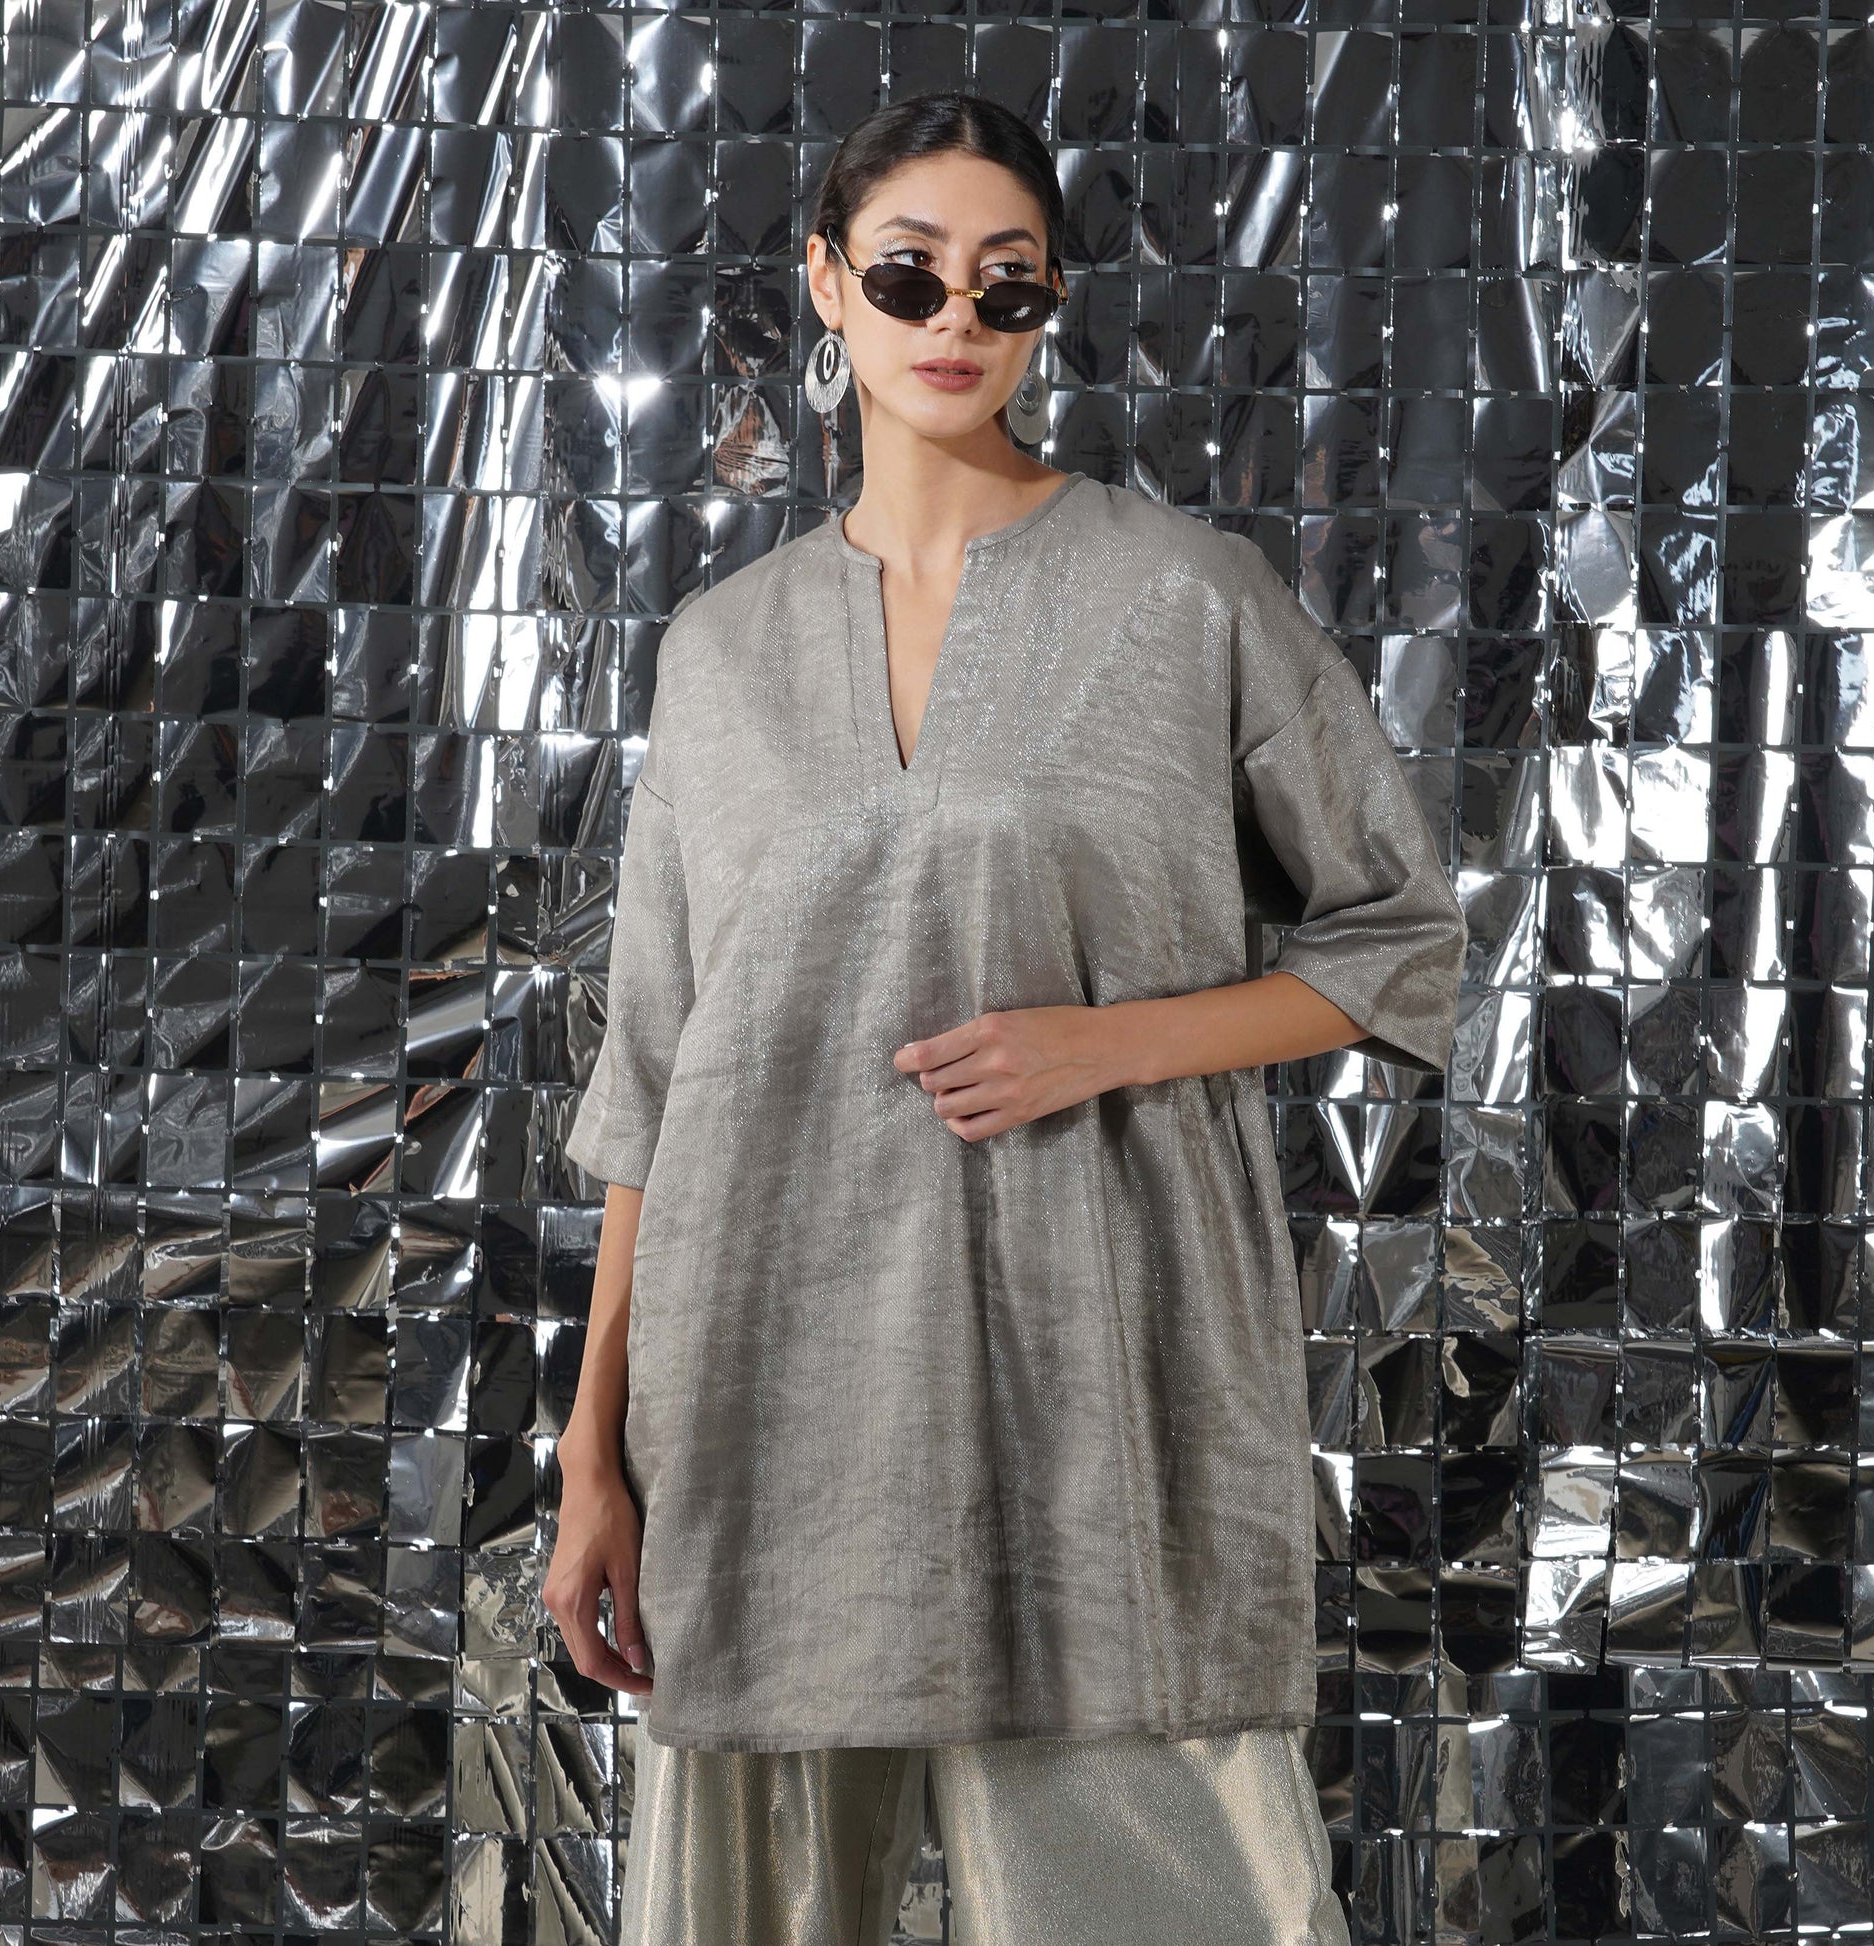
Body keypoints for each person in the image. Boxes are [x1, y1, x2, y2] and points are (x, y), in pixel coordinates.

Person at [541, 90, 1467, 1946]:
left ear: (1047, 309)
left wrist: (1106, 1040)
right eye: (907, 275)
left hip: (1094, 1371)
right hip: (767, 1399)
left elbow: (1397, 935)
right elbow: (653, 1072)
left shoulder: (1182, 596)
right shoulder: (718, 650)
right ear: (827, 286)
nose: (954, 318)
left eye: (1006, 285)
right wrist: (590, 1454)